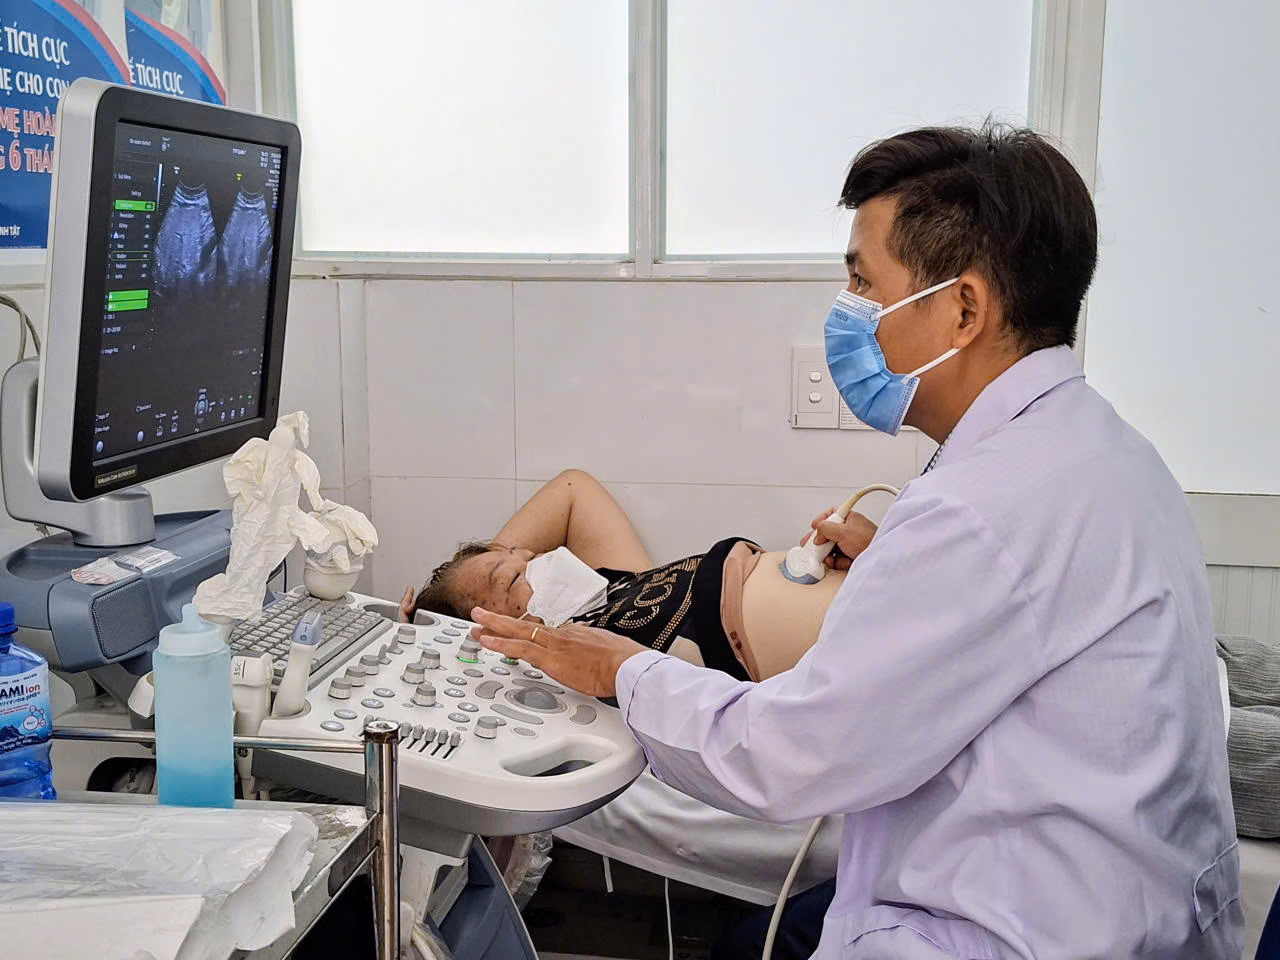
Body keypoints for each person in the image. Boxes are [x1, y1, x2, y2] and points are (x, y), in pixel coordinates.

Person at [469, 124, 1243, 958]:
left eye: (863, 282)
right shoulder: (1109, 455)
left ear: (964, 309)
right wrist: (892, 567)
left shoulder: (979, 513)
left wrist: (621, 670)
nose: (848, 311)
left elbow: (789, 756)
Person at [401, 468, 877, 682]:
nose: (536, 559)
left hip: (877, 593)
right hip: (870, 628)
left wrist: (499, 563)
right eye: (511, 580)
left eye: (528, 555)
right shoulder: (583, 653)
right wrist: (433, 631)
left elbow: (573, 488)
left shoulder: (615, 585)